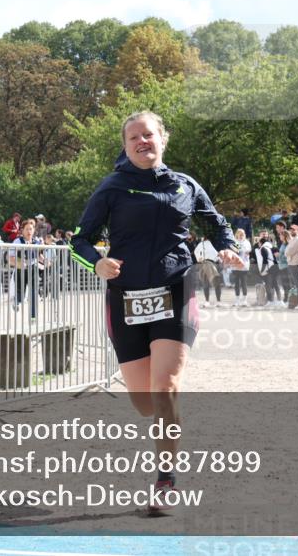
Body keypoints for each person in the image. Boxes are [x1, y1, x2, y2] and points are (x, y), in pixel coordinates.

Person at [69, 111, 239, 513]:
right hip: (126, 299)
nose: (142, 142)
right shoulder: (112, 187)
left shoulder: (186, 185)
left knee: (164, 389)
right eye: (134, 138)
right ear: (126, 146)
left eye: (149, 135)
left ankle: (165, 480)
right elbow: (79, 241)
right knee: (145, 402)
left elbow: (216, 224)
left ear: (163, 138)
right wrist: (96, 262)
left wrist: (226, 246)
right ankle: (167, 422)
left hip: (174, 290)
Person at [10, 219, 42, 321]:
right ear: (22, 230)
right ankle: (16, 300)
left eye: (31, 229)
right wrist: (19, 263)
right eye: (27, 229)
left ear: (34, 230)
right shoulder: (17, 241)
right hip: (20, 270)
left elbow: (38, 255)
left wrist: (45, 261)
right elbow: (10, 258)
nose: (29, 231)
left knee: (33, 294)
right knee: (21, 294)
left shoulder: (36, 242)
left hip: (33, 268)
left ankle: (33, 318)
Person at [195, 235, 224, 308]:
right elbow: (196, 252)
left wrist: (221, 261)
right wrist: (199, 258)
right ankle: (208, 301)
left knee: (214, 283)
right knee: (207, 283)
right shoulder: (201, 244)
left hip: (214, 264)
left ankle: (217, 301)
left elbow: (219, 254)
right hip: (205, 263)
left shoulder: (215, 243)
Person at [231, 228, 252, 307]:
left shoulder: (247, 242)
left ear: (244, 235)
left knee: (244, 283)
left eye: (242, 234)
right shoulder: (235, 242)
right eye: (239, 234)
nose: (241, 236)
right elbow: (235, 251)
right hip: (235, 265)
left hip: (244, 265)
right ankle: (237, 300)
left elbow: (247, 250)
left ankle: (244, 300)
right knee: (236, 283)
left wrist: (244, 250)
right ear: (237, 234)